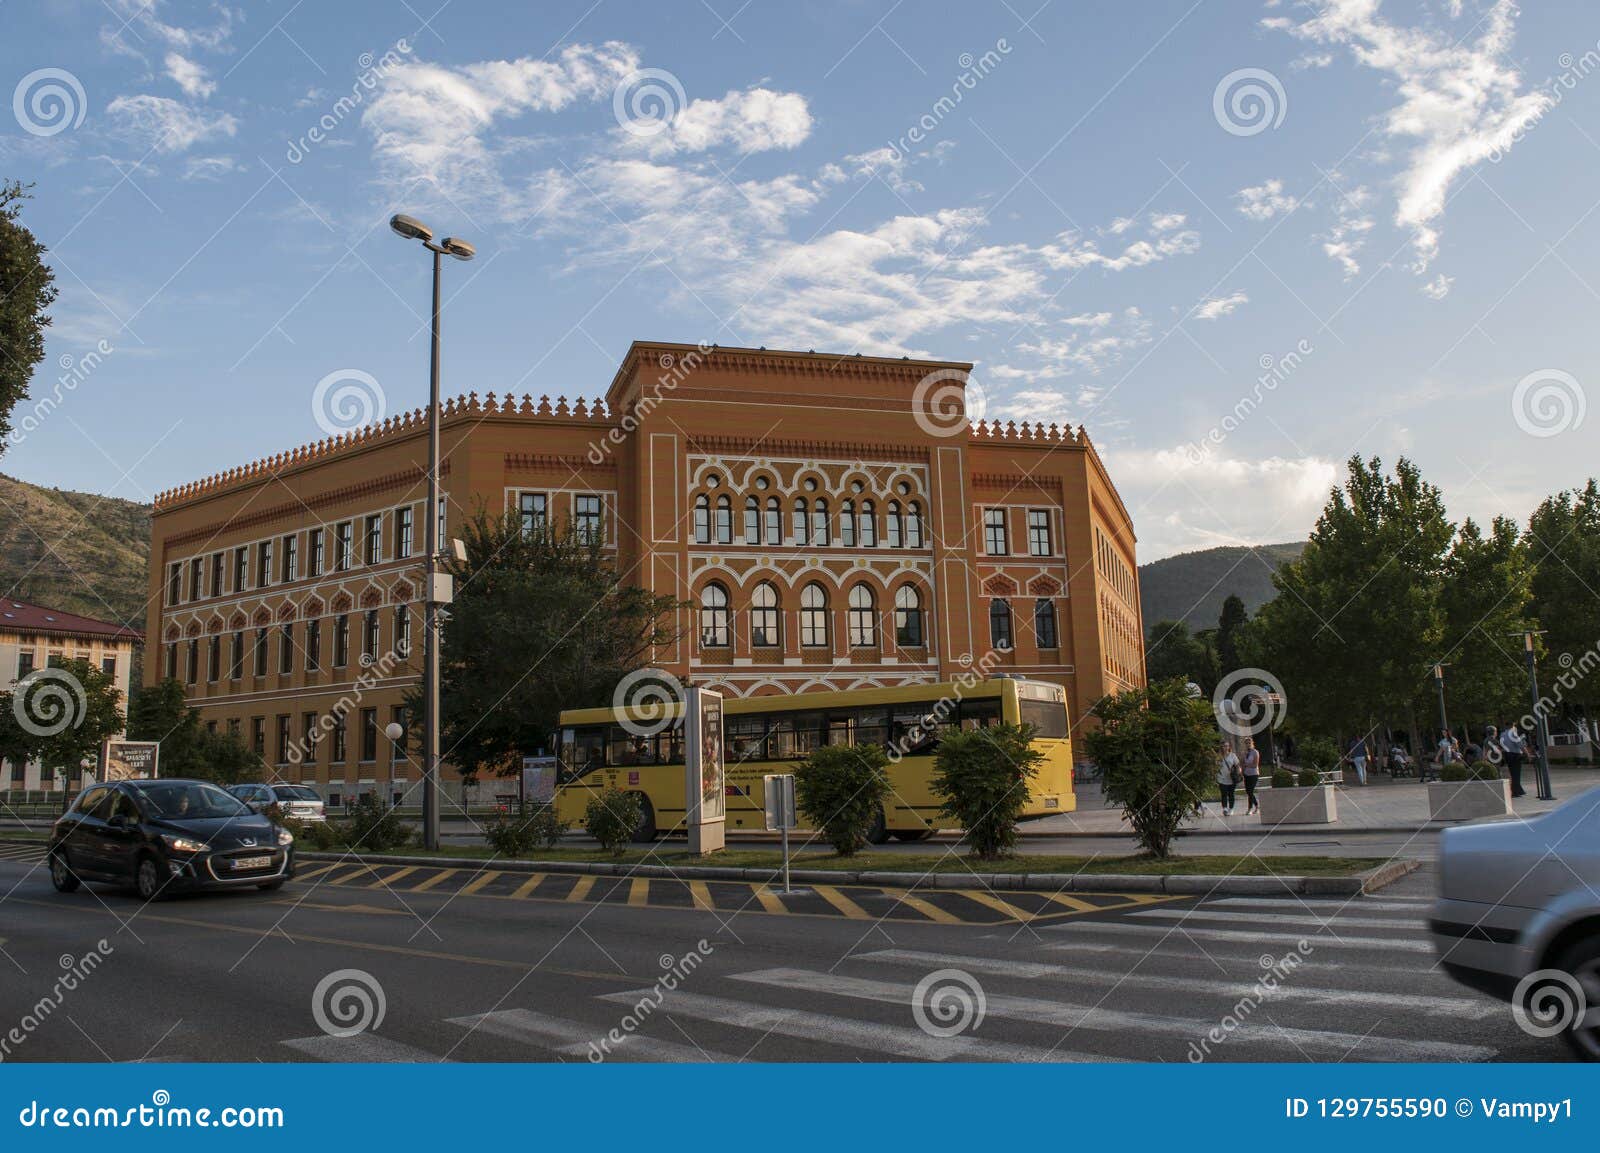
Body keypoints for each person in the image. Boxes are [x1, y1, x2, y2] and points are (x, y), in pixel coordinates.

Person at [1499, 724, 1528, 797]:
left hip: (1507, 755)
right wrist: (1527, 754)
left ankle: (1517, 790)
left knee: (1512, 773)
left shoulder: (1502, 734)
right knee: (1516, 773)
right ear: (1512, 727)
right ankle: (1516, 791)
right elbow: (1520, 745)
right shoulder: (1513, 734)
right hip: (1515, 755)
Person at [1217, 742, 1240, 817]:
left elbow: (1237, 765)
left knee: (1231, 794)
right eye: (1224, 746)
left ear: (1229, 747)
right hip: (1221, 778)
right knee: (1223, 794)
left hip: (1231, 778)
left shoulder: (1232, 755)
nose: (1225, 747)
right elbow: (1216, 766)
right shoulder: (1219, 756)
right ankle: (1225, 808)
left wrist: (1238, 772)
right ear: (1221, 747)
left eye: (1227, 746)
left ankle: (1231, 809)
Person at [1240, 737, 1261, 815]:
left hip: (1254, 774)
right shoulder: (1244, 753)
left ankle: (1250, 808)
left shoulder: (1255, 752)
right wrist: (1242, 772)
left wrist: (1246, 764)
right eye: (1246, 743)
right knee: (1248, 792)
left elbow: (1255, 765)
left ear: (1252, 743)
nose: (1248, 745)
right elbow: (1242, 763)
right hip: (1246, 774)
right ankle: (1256, 805)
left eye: (1249, 743)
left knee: (1250, 791)